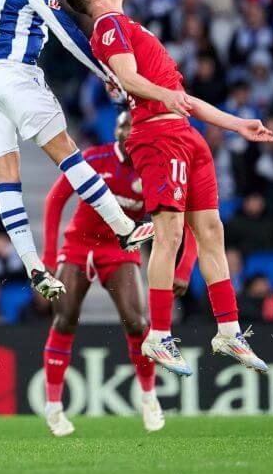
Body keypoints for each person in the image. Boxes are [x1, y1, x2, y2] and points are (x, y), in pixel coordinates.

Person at [64, 0, 273, 376]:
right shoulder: (108, 25)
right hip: (158, 136)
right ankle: (158, 336)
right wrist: (164, 96)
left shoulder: (126, 25)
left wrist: (236, 124)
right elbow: (128, 78)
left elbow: (180, 96)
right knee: (170, 233)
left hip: (185, 134)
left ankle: (228, 329)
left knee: (211, 231)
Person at [0, 0, 154, 302]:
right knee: (67, 153)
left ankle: (33, 264)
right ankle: (122, 225)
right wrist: (107, 72)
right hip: (12, 72)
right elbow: (64, 31)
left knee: (6, 177)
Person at [40, 111, 199, 436]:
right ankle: (54, 407)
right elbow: (55, 199)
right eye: (121, 127)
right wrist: (46, 257)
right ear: (115, 131)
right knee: (64, 318)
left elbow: (190, 221)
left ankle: (149, 398)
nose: (126, 132)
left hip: (120, 250)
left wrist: (183, 267)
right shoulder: (94, 158)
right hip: (79, 245)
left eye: (132, 126)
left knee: (137, 322)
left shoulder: (157, 169)